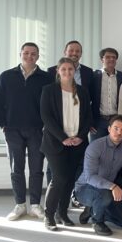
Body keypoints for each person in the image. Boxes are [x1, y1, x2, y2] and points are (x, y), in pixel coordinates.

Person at [0, 42, 53, 221]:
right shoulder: (6, 77)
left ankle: (35, 205)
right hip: (12, 130)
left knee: (36, 169)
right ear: (20, 54)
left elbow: (52, 104)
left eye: (33, 53)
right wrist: (0, 126)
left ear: (38, 56)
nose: (29, 56)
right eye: (26, 53)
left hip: (37, 131)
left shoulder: (47, 78)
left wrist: (48, 126)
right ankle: (20, 204)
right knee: (16, 169)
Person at [40, 58, 93, 230]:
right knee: (59, 178)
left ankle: (62, 213)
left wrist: (81, 137)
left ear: (74, 71)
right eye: (63, 69)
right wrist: (63, 138)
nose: (67, 72)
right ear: (58, 70)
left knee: (70, 179)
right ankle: (49, 215)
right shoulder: (48, 90)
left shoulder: (82, 91)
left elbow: (88, 116)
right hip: (55, 142)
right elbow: (46, 117)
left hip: (77, 143)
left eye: (70, 69)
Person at [75, 115, 122, 236]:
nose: (119, 132)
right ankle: (97, 222)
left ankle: (94, 209)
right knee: (105, 195)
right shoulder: (95, 146)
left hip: (107, 190)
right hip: (85, 189)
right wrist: (113, 186)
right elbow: (89, 177)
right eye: (116, 128)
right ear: (109, 129)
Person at [91, 47, 122, 140]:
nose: (111, 59)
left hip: (117, 120)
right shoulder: (93, 75)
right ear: (102, 59)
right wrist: (89, 122)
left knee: (117, 146)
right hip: (98, 121)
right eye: (108, 57)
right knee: (96, 147)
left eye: (114, 57)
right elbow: (87, 99)